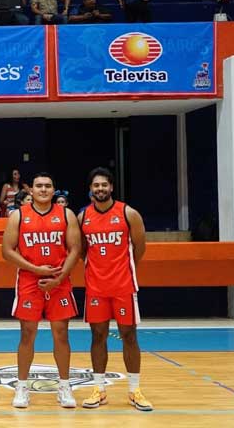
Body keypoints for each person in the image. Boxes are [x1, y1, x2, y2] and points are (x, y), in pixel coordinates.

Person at [1, 172, 81, 409]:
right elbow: (7, 251)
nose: (43, 189)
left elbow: (75, 250)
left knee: (61, 334)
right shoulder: (18, 216)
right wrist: (36, 268)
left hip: (59, 281)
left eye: (48, 186)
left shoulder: (66, 215)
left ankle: (64, 387)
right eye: (39, 186)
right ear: (31, 191)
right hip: (29, 281)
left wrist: (58, 278)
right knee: (27, 334)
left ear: (54, 189)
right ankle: (22, 387)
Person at [77, 168, 152, 412]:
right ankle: (99, 389)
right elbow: (80, 252)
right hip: (96, 288)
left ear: (111, 187)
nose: (100, 189)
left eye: (104, 185)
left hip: (123, 287)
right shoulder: (82, 217)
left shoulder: (128, 213)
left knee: (129, 336)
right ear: (91, 189)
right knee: (97, 337)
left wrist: (123, 270)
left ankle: (134, 390)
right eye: (96, 185)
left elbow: (139, 249)